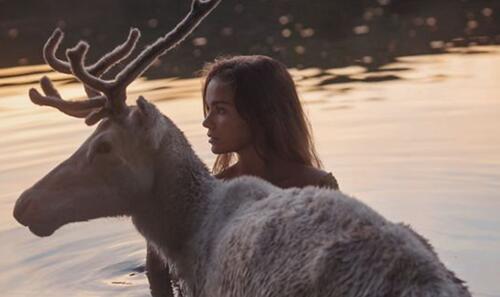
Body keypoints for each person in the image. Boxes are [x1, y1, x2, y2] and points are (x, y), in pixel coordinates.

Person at [146, 55, 339, 297]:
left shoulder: (316, 187)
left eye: (221, 110)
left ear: (261, 114)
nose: (207, 122)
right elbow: (158, 272)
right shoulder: (208, 194)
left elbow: (332, 274)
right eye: (208, 109)